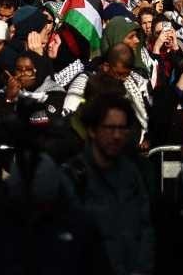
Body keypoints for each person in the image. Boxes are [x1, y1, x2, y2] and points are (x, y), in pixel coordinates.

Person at [62, 93, 154, 275]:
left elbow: (145, 228)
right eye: (110, 128)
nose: (117, 136)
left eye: (122, 128)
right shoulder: (72, 176)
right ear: (92, 130)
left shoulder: (132, 173)